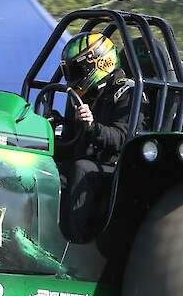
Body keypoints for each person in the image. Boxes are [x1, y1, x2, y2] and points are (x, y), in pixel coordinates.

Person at [56, 32, 139, 242]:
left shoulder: (127, 92)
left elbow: (122, 138)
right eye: (68, 71)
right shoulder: (81, 96)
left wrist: (93, 127)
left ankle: (74, 242)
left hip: (113, 167)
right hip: (85, 160)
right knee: (44, 166)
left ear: (99, 63)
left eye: (76, 70)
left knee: (81, 168)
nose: (72, 77)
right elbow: (70, 142)